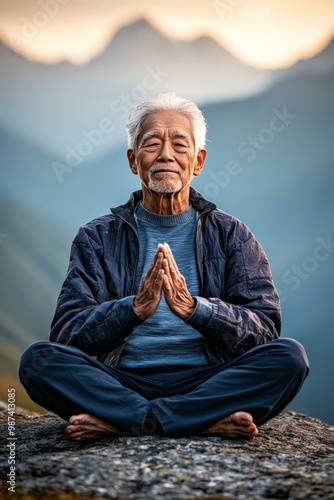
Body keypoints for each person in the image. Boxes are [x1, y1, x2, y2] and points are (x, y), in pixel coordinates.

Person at [19, 93, 309, 442]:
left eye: (179, 145)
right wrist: (132, 309)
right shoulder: (96, 238)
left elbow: (264, 329)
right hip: (122, 381)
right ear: (133, 160)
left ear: (198, 161)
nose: (166, 155)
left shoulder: (232, 235)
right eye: (152, 144)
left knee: (290, 357)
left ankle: (132, 422)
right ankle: (196, 421)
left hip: (206, 381)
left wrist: (197, 310)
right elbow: (67, 333)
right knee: (38, 360)